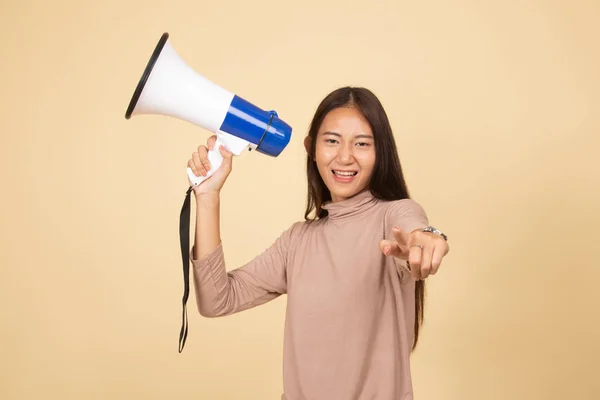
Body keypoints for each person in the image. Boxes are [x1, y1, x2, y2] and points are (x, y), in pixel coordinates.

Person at [186, 86, 450, 400]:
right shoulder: (297, 241)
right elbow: (216, 300)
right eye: (332, 141)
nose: (345, 156)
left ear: (381, 152)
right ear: (312, 148)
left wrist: (424, 241)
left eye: (362, 143)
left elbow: (414, 229)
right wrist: (208, 197)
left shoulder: (393, 216)